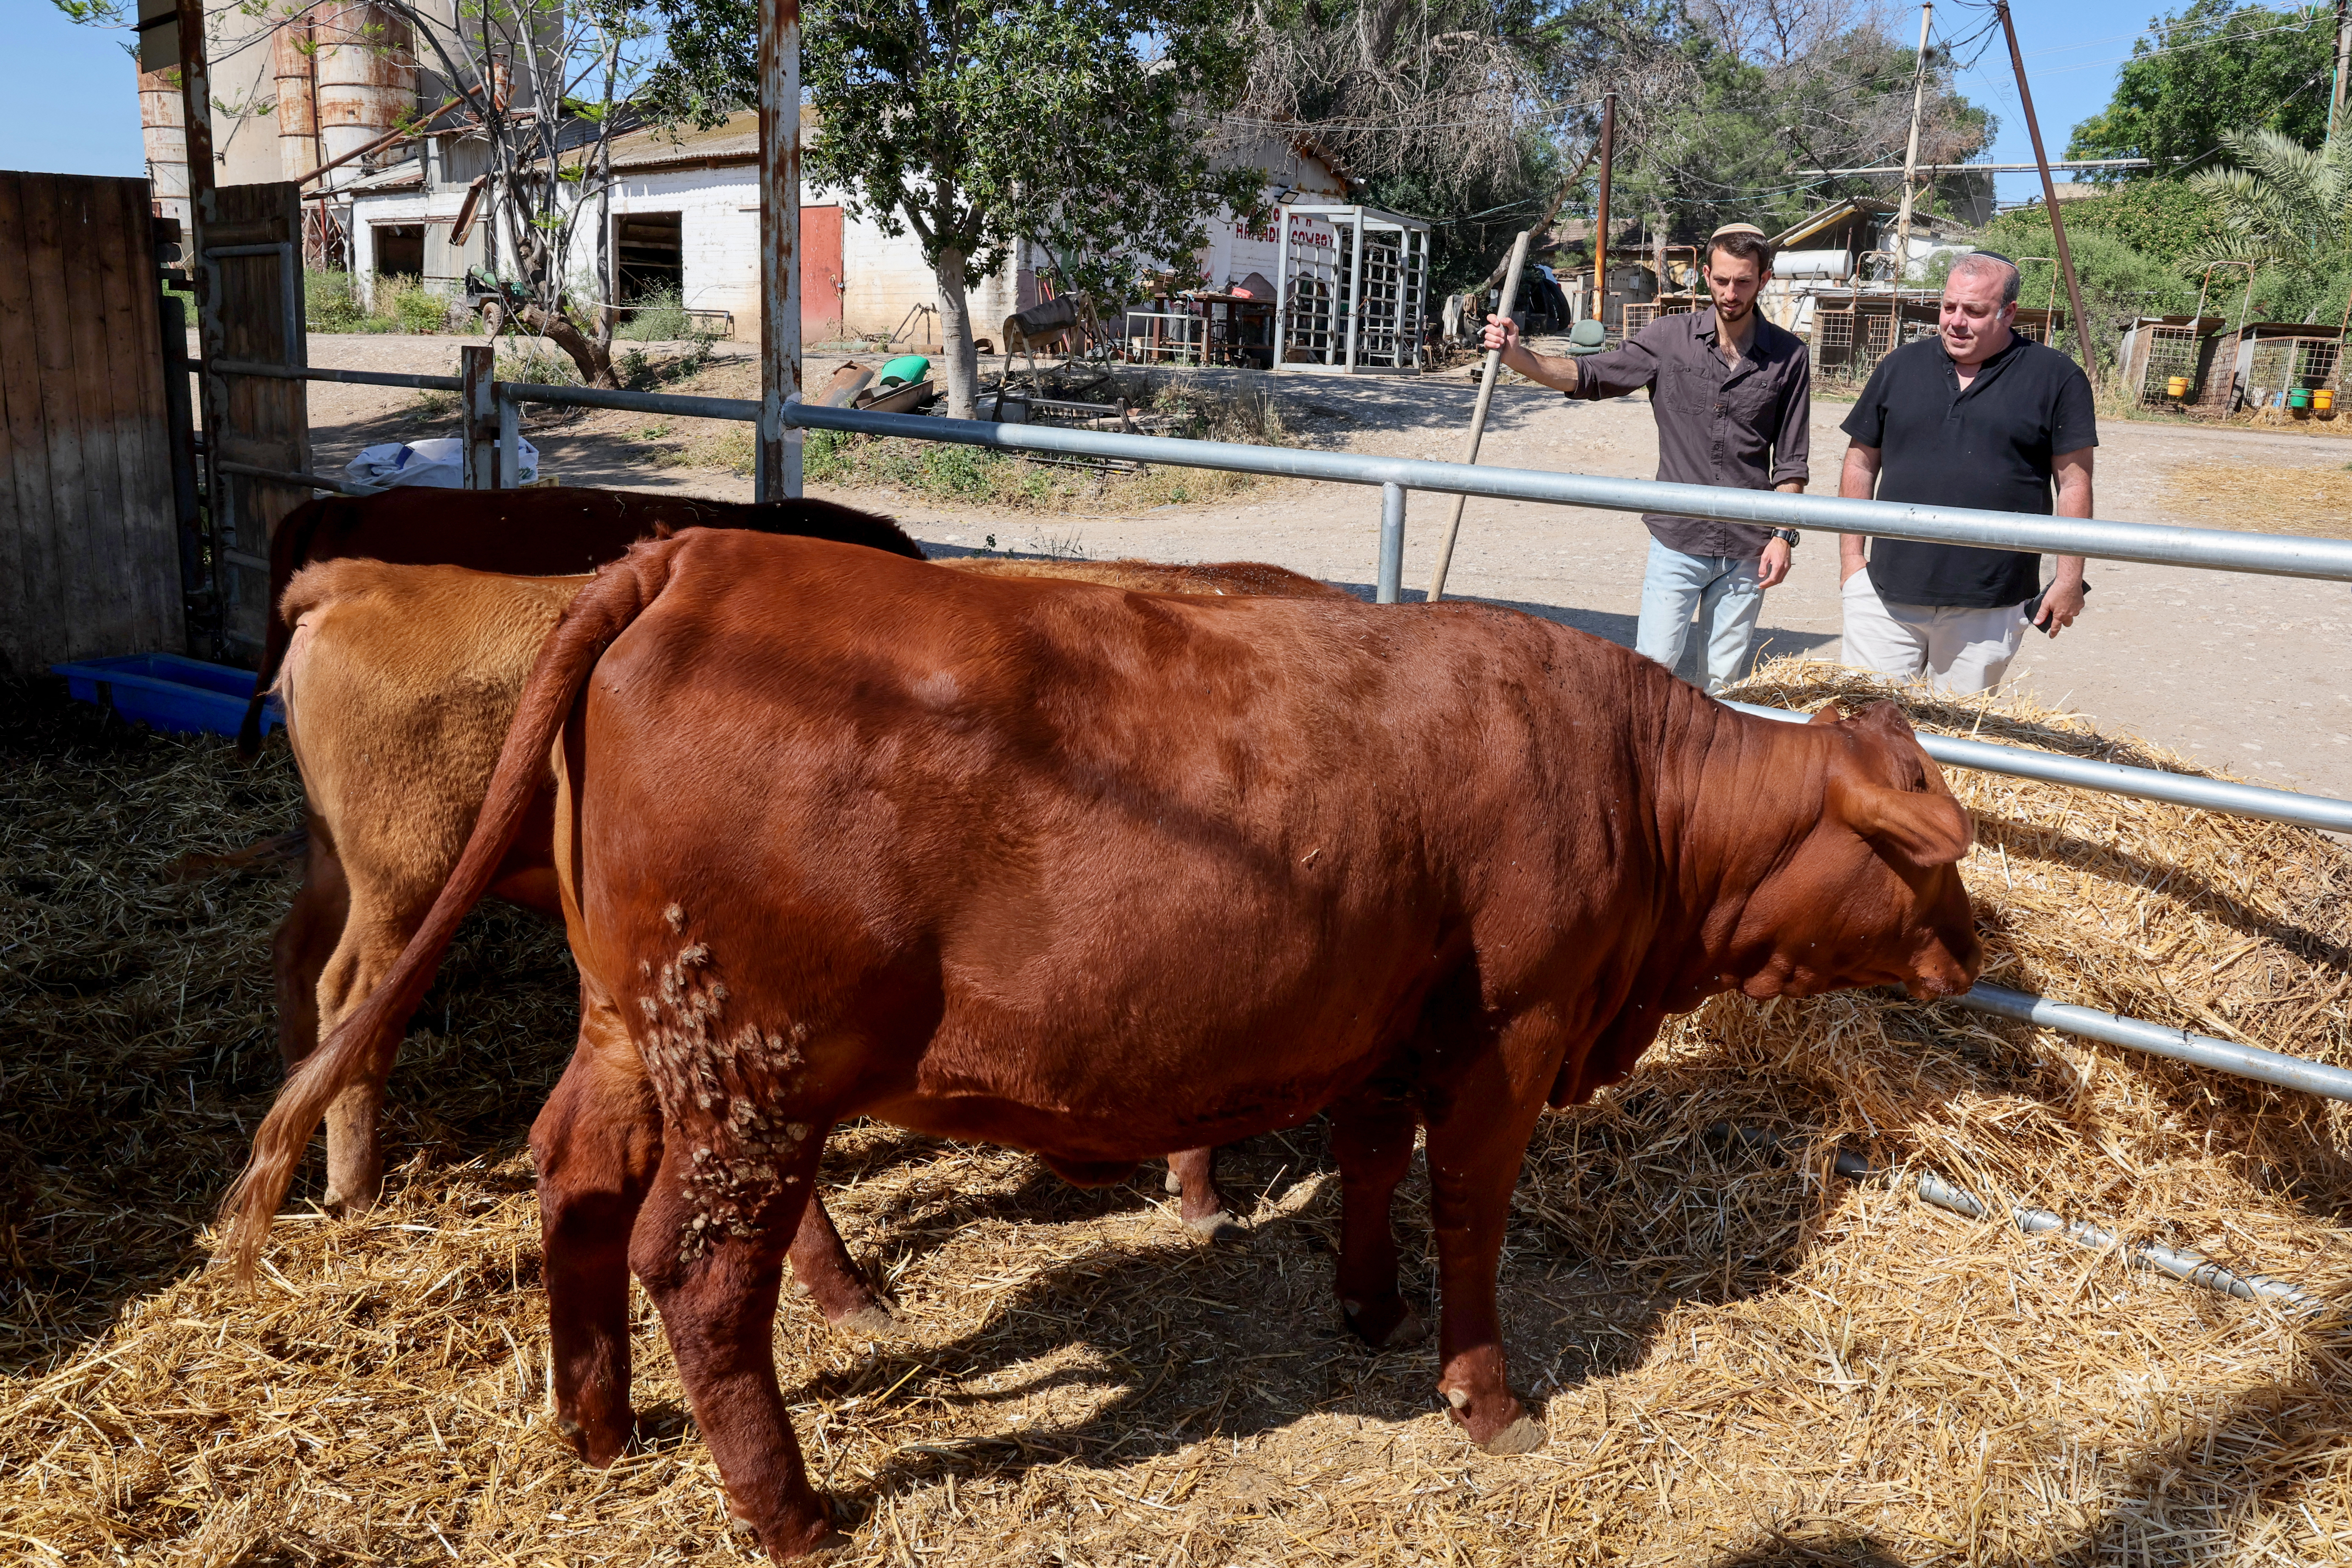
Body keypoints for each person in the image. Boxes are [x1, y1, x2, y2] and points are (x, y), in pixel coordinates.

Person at [1483, 224, 1810, 692]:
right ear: (1704, 276)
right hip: (1677, 540)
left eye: (1742, 281)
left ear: (1764, 280)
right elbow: (1591, 375)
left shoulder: (1789, 356)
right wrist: (1521, 358)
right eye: (1720, 280)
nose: (1730, 292)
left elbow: (1792, 460)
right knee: (1650, 675)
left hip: (1747, 548)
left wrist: (1783, 537)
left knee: (1725, 683)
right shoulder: (1667, 338)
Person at [1837, 250, 2092, 693]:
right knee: (1862, 731)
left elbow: (2073, 483)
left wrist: (2069, 579)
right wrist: (1851, 562)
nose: (1956, 321)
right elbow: (1860, 461)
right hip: (1884, 593)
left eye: (1974, 311)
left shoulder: (2056, 378)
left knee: (1956, 737)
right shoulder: (1900, 367)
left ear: (2008, 312)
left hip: (1988, 603)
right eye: (1948, 306)